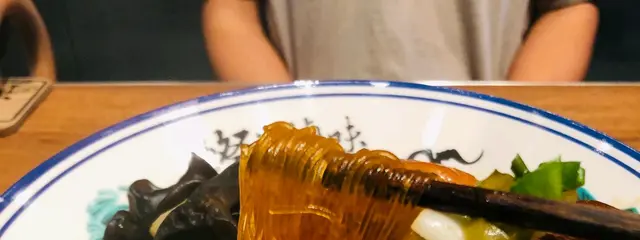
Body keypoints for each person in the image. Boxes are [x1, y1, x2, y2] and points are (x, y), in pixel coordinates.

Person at [202, 0, 599, 83]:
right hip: (317, 126)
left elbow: (567, 9)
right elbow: (230, 11)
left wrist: (505, 122)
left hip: (477, 140)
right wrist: (287, 121)